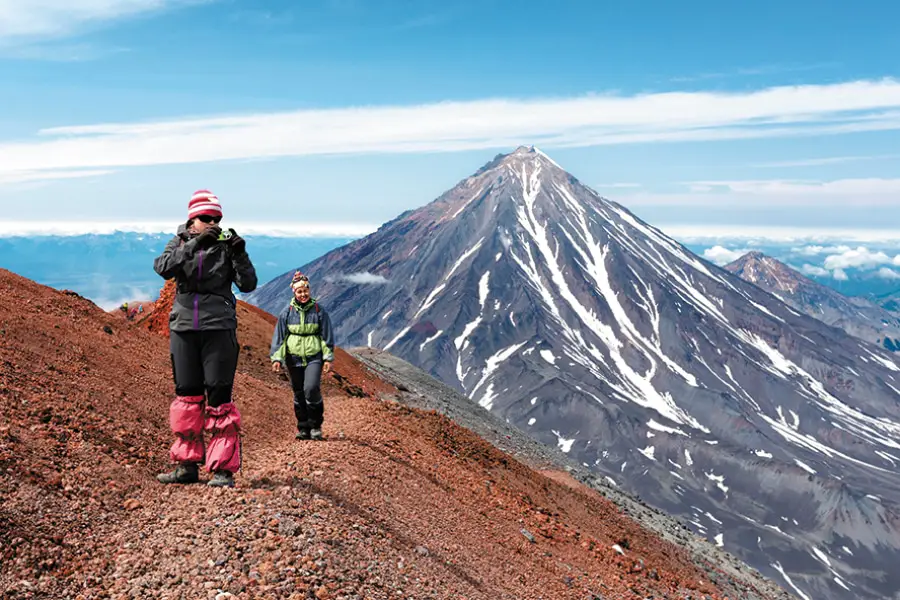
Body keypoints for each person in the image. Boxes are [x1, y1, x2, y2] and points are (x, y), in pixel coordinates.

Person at [152, 189, 258, 487]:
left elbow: (248, 284)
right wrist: (197, 243)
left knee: (219, 395)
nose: (212, 223)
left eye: (216, 218)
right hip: (184, 328)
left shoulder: (227, 246)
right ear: (191, 219)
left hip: (219, 328)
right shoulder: (180, 242)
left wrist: (240, 253)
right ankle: (187, 466)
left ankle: (222, 469)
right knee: (187, 395)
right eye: (205, 218)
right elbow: (163, 268)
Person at [269, 271, 334, 441]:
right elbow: (280, 337)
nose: (303, 294)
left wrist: (327, 358)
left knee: (311, 389)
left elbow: (326, 335)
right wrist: (277, 358)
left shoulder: (319, 310)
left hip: (314, 357)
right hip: (293, 358)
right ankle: (303, 427)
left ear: (309, 290)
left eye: (305, 290)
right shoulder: (287, 313)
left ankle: (315, 426)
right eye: (299, 291)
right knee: (298, 393)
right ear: (294, 292)